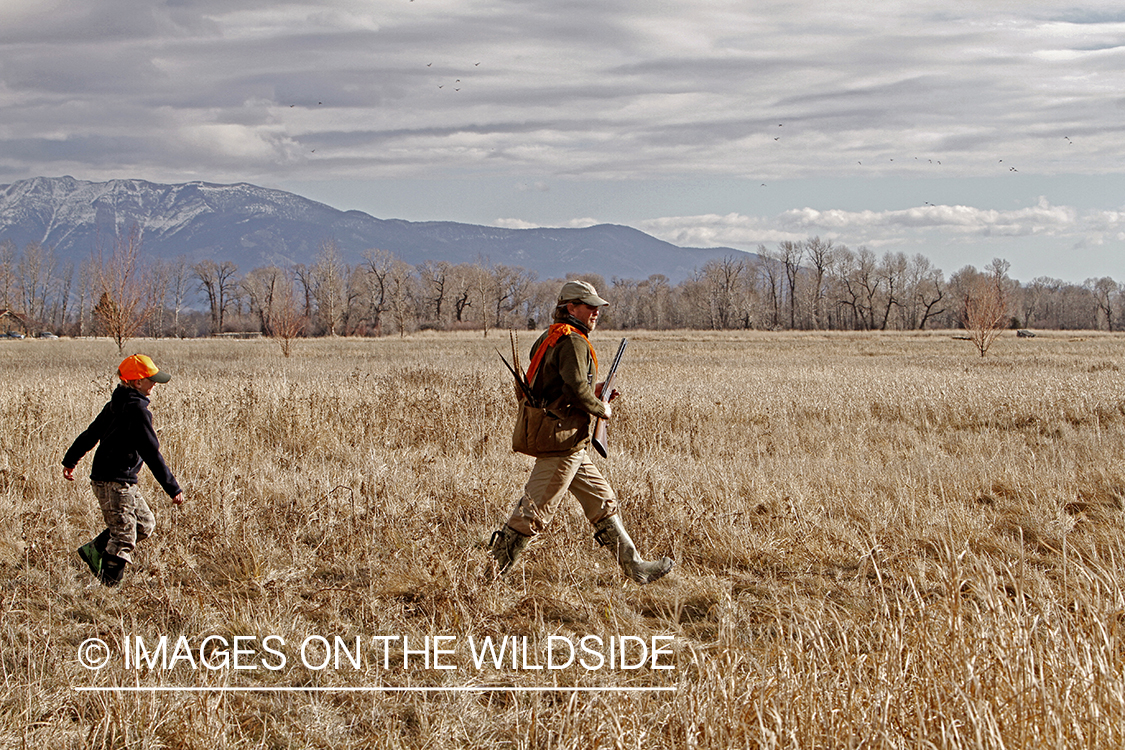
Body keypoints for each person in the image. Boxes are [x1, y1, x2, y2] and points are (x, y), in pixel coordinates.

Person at [489, 280, 673, 584]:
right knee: (532, 514)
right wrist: (601, 408)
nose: (596, 312)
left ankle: (635, 568)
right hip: (562, 443)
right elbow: (575, 390)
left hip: (568, 441)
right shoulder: (572, 341)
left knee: (602, 501)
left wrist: (595, 391)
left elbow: (553, 387)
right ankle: (488, 579)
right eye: (589, 306)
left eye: (597, 307)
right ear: (570, 307)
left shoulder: (550, 338)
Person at [63, 354, 184, 586]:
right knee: (124, 537)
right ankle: (109, 589)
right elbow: (151, 453)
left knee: (144, 524)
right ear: (137, 383)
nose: (155, 384)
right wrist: (172, 487)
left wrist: (71, 459)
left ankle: (94, 550)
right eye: (151, 379)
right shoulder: (137, 411)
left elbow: (90, 434)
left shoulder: (116, 404)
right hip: (113, 481)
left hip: (121, 480)